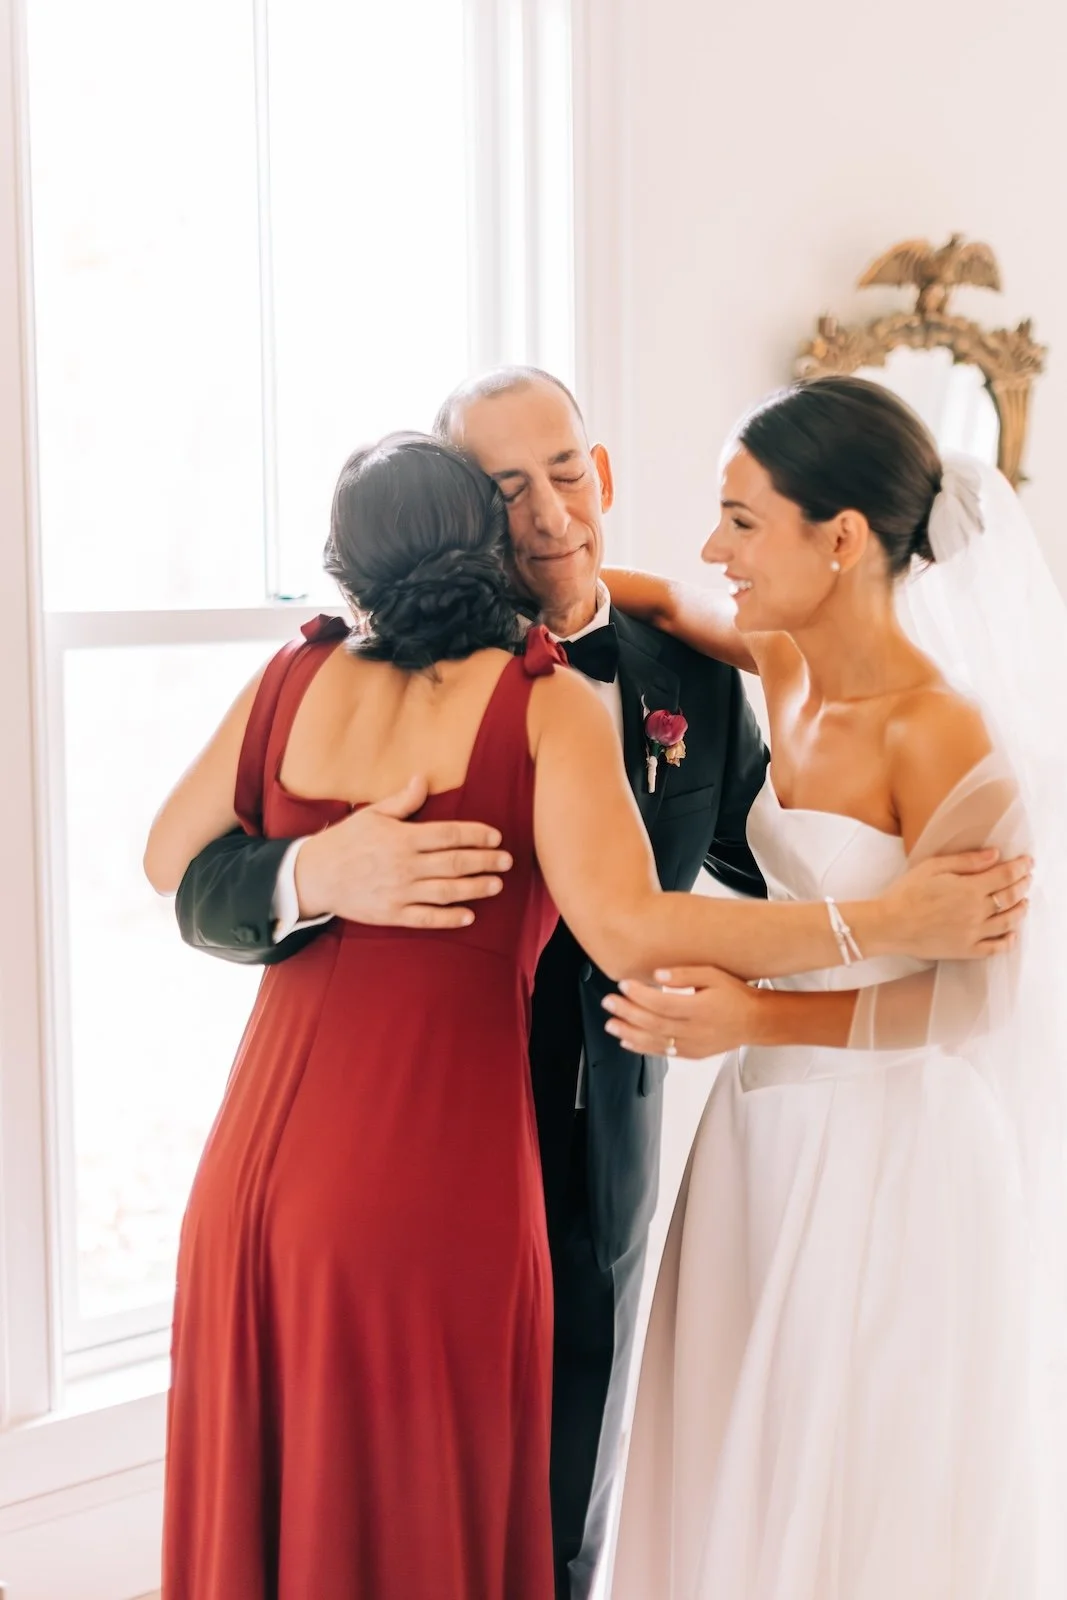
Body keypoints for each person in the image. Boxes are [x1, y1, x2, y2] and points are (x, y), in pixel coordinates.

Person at [168, 371, 1027, 1599]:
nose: (548, 512)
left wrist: (848, 953)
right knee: (377, 1500)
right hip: (410, 1148)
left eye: (567, 471)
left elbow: (767, 855)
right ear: (466, 509)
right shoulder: (368, 665)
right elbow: (193, 872)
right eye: (506, 487)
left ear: (605, 472)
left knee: (574, 1509)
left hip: (606, 1159)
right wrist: (316, 869)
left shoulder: (701, 677)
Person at [604, 377, 1064, 1600]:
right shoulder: (776, 661)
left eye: (741, 519)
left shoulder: (945, 739)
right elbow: (647, 596)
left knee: (851, 1486)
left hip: (890, 1152)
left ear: (842, 538)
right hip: (757, 1136)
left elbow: (977, 1004)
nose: (713, 545)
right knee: (729, 1463)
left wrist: (753, 1014)